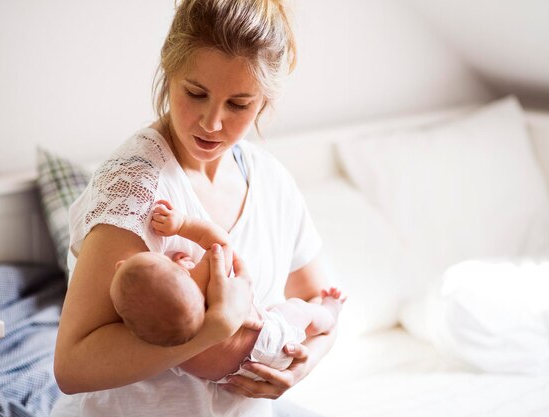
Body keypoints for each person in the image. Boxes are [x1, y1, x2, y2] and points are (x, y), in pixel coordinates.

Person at [51, 1, 337, 416]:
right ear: (169, 73)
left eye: (238, 104)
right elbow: (72, 367)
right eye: (195, 93)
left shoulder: (271, 181)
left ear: (265, 102)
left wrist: (302, 366)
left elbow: (318, 298)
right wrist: (212, 331)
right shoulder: (136, 187)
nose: (211, 122)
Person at [110, 200, 345, 382]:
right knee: (299, 310)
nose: (118, 264)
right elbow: (221, 243)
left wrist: (185, 268)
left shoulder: (157, 338)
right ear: (181, 274)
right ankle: (329, 313)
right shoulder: (199, 288)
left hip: (234, 376)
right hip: (270, 343)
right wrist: (182, 224)